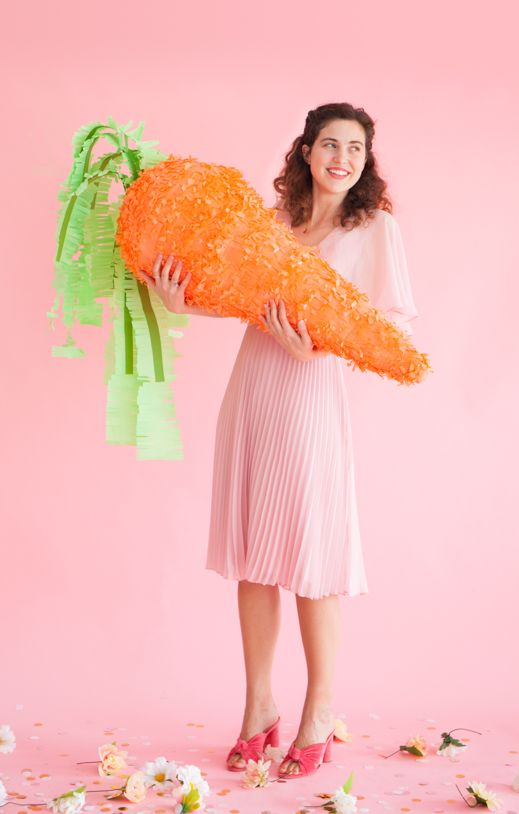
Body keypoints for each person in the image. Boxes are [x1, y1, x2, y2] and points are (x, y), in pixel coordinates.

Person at [140, 103, 418, 778]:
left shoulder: (375, 228)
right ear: (305, 151)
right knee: (255, 557)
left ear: (366, 160)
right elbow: (235, 296)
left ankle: (318, 711)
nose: (341, 159)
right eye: (330, 144)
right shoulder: (274, 223)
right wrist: (182, 303)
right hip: (254, 390)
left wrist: (315, 346)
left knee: (311, 559)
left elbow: (386, 331)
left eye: (355, 148)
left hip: (311, 393)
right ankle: (258, 706)